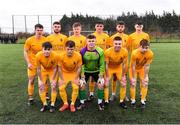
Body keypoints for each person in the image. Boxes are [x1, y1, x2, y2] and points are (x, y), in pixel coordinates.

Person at [78, 34, 105, 111]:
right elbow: (81, 64)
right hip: (85, 71)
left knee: (101, 85)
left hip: (96, 71)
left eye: (93, 41)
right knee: (82, 85)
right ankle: (82, 102)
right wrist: (82, 75)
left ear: (95, 41)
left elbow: (102, 64)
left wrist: (101, 75)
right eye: (89, 41)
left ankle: (100, 103)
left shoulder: (100, 51)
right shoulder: (82, 51)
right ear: (86, 41)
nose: (91, 42)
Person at [24, 24, 46, 105]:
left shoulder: (45, 40)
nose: (39, 32)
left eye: (41, 30)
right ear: (35, 30)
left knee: (44, 81)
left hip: (42, 65)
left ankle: (46, 95)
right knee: (32, 80)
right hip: (32, 65)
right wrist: (28, 63)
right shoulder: (29, 40)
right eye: (38, 30)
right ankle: (30, 97)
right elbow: (25, 52)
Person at [58, 40, 82, 112]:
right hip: (64, 73)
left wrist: (76, 78)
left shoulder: (78, 55)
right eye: (68, 49)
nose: (70, 51)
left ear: (74, 48)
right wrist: (61, 79)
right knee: (61, 87)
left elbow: (79, 68)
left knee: (75, 87)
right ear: (65, 48)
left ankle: (72, 104)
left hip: (74, 73)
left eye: (71, 49)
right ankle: (65, 103)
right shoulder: (61, 56)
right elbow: (59, 69)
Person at [89, 21, 109, 103]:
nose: (99, 27)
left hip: (102, 60)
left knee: (102, 78)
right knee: (92, 78)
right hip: (93, 60)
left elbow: (108, 48)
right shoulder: (92, 36)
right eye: (98, 26)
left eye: (101, 26)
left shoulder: (106, 36)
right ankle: (91, 93)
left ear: (103, 27)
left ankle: (103, 95)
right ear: (95, 26)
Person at [129, 39, 154, 108]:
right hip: (133, 69)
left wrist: (146, 76)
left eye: (147, 48)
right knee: (133, 83)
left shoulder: (150, 53)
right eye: (143, 48)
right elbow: (133, 66)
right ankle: (133, 100)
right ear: (139, 46)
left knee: (145, 83)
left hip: (142, 69)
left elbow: (147, 66)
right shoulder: (134, 53)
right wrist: (134, 77)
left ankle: (143, 100)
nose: (145, 50)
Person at [105, 36, 128, 109]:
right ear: (113, 43)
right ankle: (106, 101)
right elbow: (106, 65)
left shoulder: (125, 51)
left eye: (119, 44)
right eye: (116, 43)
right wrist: (107, 76)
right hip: (109, 68)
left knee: (123, 83)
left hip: (119, 68)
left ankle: (121, 101)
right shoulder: (108, 51)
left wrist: (123, 75)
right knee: (106, 83)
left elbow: (124, 65)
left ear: (122, 44)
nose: (118, 45)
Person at [109, 21, 129, 101]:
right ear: (116, 27)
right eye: (119, 26)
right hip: (114, 63)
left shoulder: (128, 37)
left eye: (122, 26)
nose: (120, 28)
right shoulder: (112, 38)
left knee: (124, 78)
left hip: (124, 62)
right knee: (114, 78)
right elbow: (110, 50)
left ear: (124, 27)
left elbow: (128, 49)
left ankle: (123, 95)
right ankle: (113, 94)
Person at [35, 42, 58, 112]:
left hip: (52, 71)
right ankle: (44, 104)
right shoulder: (38, 55)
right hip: (43, 71)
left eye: (48, 49)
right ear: (42, 49)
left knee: (53, 86)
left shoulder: (55, 55)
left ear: (51, 49)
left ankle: (52, 104)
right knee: (41, 86)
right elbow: (38, 69)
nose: (47, 51)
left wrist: (53, 79)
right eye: (45, 49)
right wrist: (41, 81)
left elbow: (55, 68)